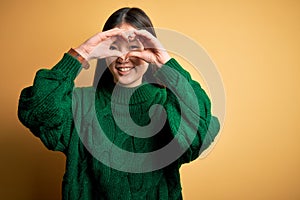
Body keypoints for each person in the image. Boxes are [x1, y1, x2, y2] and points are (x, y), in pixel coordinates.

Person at [18, 7, 220, 200]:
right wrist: (82, 53)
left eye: (134, 49)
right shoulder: (82, 104)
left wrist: (166, 64)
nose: (123, 58)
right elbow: (37, 110)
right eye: (114, 48)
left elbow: (198, 137)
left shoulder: (169, 104)